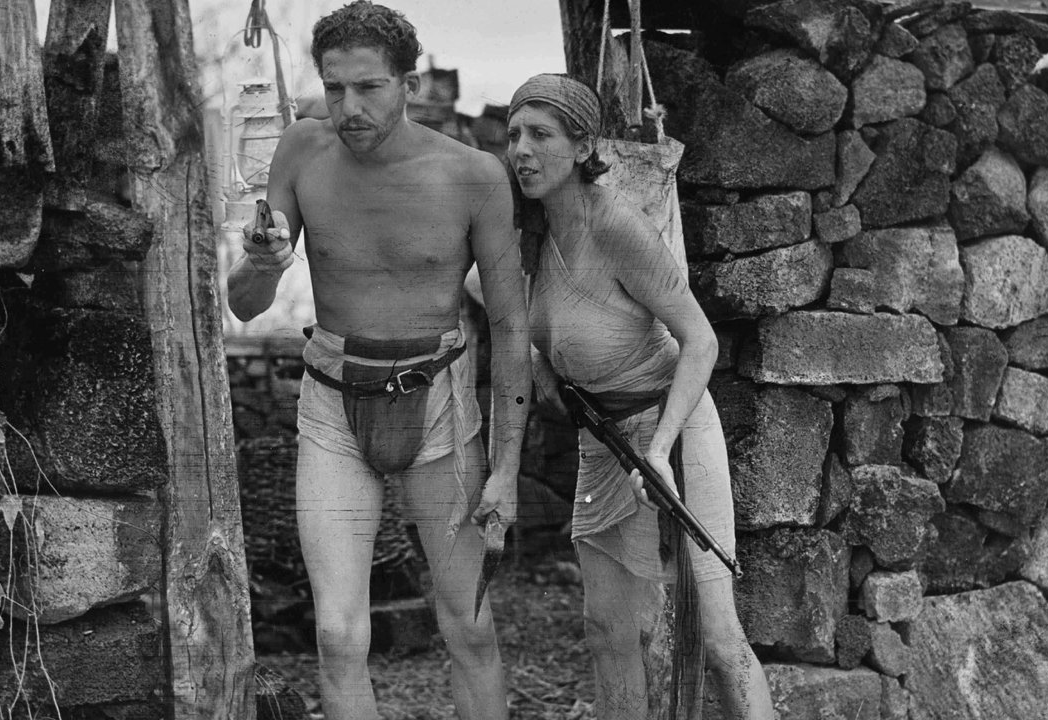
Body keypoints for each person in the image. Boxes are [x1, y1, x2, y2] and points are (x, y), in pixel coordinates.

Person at [227, 4, 530, 719]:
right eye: (334, 88)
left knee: (469, 625)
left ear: (409, 86)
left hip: (440, 402)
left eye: (368, 88)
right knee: (337, 635)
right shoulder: (300, 149)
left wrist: (508, 469)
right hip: (333, 399)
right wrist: (262, 263)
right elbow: (244, 305)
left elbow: (512, 327)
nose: (348, 107)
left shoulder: (475, 175)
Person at [506, 73, 776, 719]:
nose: (521, 150)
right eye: (513, 134)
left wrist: (659, 449)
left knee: (718, 636)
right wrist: (544, 366)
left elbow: (700, 341)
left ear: (582, 146)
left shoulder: (617, 226)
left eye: (540, 134)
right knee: (607, 629)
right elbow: (523, 319)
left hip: (671, 429)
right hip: (603, 441)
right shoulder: (528, 233)